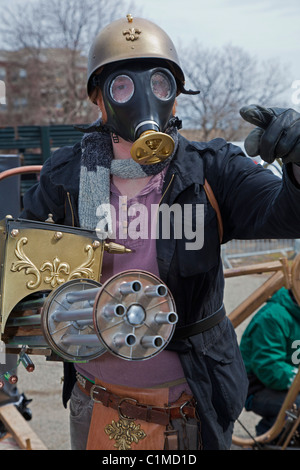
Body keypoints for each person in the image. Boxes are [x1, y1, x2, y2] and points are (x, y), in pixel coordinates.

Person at [19, 15, 300, 450]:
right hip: (98, 403)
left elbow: (285, 214)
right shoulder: (71, 174)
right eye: (122, 87)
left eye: (159, 83)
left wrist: (297, 164)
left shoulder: (211, 169)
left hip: (191, 405)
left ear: (175, 93)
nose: (144, 99)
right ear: (99, 98)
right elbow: (25, 266)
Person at [240, 287, 300, 437]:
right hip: (258, 386)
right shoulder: (273, 317)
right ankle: (270, 436)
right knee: (297, 408)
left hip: (289, 383)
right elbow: (269, 367)